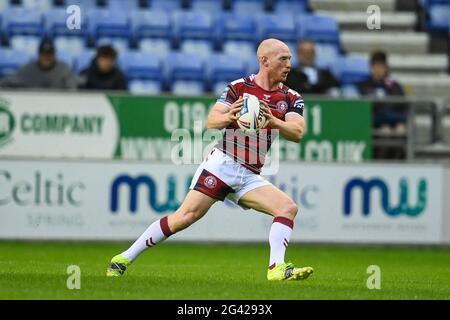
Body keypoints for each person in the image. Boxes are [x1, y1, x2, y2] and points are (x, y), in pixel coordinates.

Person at [106, 38, 313, 281]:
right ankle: (123, 258)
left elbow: (297, 133)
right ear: (264, 61)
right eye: (283, 59)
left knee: (287, 208)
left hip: (249, 176)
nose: (289, 64)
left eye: (289, 59)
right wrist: (231, 115)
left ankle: (276, 269)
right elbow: (211, 121)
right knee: (184, 218)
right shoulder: (239, 87)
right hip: (222, 165)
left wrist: (273, 120)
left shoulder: (291, 97)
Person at [357, 51, 406, 158]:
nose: (378, 70)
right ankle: (380, 163)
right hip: (372, 122)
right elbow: (365, 109)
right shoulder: (364, 85)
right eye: (375, 66)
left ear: (386, 68)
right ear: (371, 68)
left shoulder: (394, 86)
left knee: (400, 130)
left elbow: (401, 105)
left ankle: (397, 163)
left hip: (392, 122)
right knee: (385, 131)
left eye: (381, 66)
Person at [0, 38, 77, 89]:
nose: (46, 57)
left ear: (54, 55)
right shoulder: (28, 69)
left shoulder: (63, 69)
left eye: (49, 54)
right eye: (44, 54)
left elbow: (72, 85)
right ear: (39, 55)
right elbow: (10, 81)